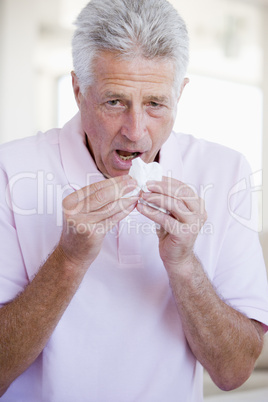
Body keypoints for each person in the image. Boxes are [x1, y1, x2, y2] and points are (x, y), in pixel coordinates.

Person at [0, 0, 268, 400]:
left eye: (156, 104)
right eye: (114, 102)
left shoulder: (224, 171)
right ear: (78, 90)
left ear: (180, 92)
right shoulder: (11, 168)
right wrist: (69, 259)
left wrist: (183, 264)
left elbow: (233, 372)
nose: (136, 132)